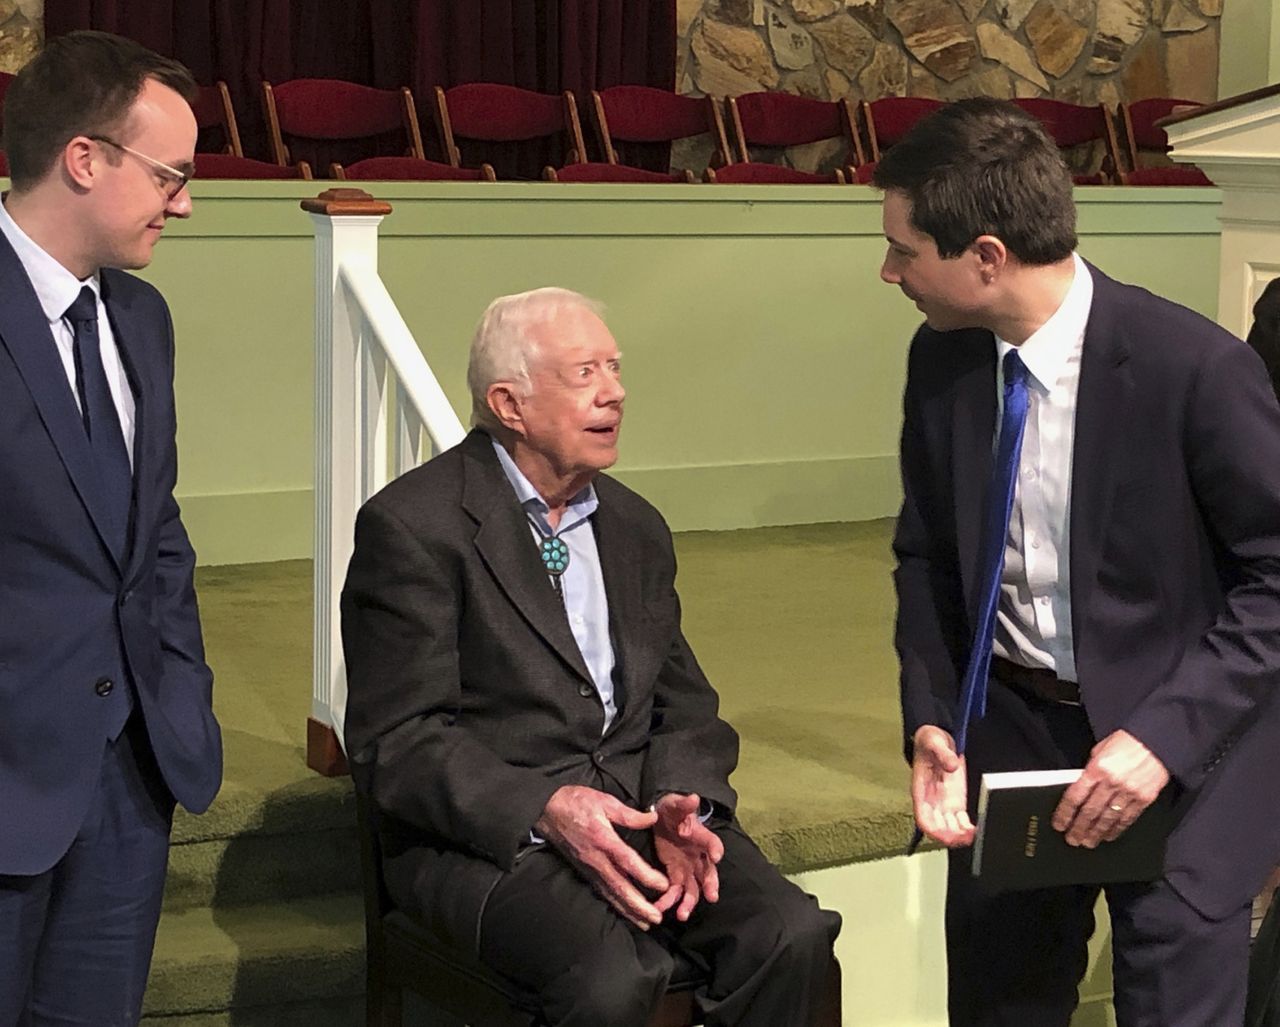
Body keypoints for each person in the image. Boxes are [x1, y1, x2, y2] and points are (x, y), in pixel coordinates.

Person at [880, 98, 1280, 1026]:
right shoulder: (941, 362)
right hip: (1017, 750)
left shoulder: (1195, 367)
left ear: (986, 257)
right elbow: (925, 555)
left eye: (904, 250)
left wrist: (1162, 739)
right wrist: (933, 718)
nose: (888, 271)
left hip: (1190, 757)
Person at [341, 287, 840, 1027]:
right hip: (494, 840)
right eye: (585, 373)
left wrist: (684, 799)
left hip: (641, 815)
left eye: (614, 367)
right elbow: (399, 742)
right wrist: (546, 805)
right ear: (509, 404)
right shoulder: (414, 527)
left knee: (791, 936)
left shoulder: (636, 526)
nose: (616, 390)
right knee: (611, 975)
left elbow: (685, 704)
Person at [0, 31, 222, 1024]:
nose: (184, 200)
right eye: (169, 174)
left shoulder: (143, 318)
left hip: (129, 780)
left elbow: (154, 538)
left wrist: (180, 694)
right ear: (85, 159)